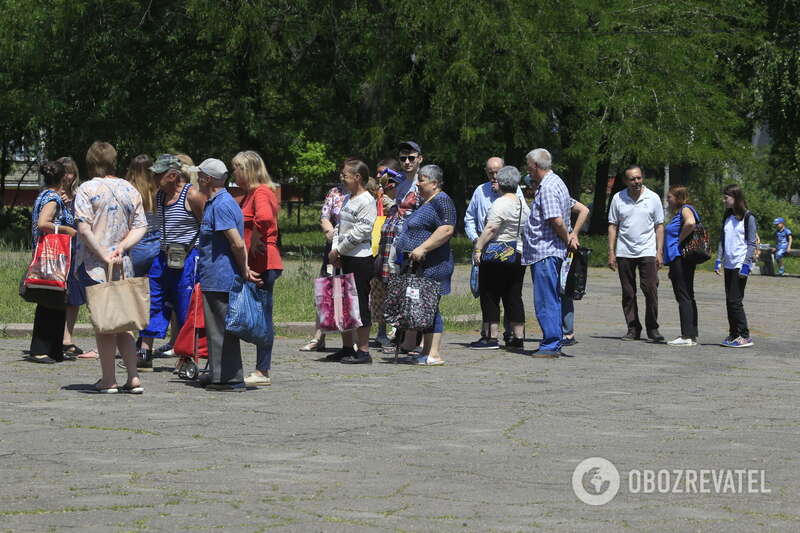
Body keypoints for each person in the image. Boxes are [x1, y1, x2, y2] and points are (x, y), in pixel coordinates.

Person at [74, 141, 148, 393]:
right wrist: (122, 247)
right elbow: (141, 226)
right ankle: (134, 377)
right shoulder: (129, 189)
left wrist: (103, 253)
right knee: (123, 322)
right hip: (123, 264)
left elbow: (83, 228)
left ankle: (109, 380)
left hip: (97, 266)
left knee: (105, 325)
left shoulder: (87, 189)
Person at [134, 154, 205, 370]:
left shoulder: (192, 195)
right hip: (163, 257)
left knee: (185, 306)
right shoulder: (159, 196)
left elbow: (206, 224)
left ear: (173, 175)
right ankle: (144, 350)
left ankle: (187, 356)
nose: (154, 179)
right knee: (153, 301)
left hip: (187, 257)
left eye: (158, 175)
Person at [194, 158, 260, 390]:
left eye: (200, 175)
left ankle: (229, 378)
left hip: (221, 277)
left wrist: (244, 269)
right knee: (217, 329)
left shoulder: (221, 205)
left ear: (208, 179)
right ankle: (217, 372)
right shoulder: (219, 202)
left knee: (221, 330)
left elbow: (237, 243)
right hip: (216, 275)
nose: (197, 178)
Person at [393, 164, 456, 365]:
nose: (418, 184)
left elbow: (446, 229)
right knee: (425, 309)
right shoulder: (427, 201)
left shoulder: (443, 201)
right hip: (420, 267)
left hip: (434, 265)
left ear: (434, 183)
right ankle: (427, 352)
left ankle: (434, 354)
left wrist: (423, 248)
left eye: (421, 180)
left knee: (431, 308)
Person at [233, 150, 283, 387]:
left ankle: (263, 370)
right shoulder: (251, 194)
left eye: (237, 168)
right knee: (258, 314)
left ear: (249, 170)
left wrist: (255, 241)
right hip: (258, 263)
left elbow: (264, 219)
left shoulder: (261, 192)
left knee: (262, 317)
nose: (234, 173)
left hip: (263, 264)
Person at [520, 149, 576, 358]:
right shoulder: (555, 182)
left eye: (528, 165)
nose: (527, 170)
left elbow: (556, 220)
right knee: (551, 297)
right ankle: (553, 341)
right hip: (547, 251)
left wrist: (567, 237)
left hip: (545, 251)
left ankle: (551, 344)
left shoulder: (549, 187)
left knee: (546, 299)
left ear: (535, 166)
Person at [465, 156, 525, 346]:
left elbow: (490, 229)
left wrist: (478, 247)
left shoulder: (499, 203)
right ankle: (518, 338)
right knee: (514, 295)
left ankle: (491, 337)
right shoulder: (522, 203)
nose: (493, 178)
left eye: (497, 175)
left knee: (490, 294)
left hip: (495, 252)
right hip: (517, 252)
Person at [24, 161, 79, 364]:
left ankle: (53, 349)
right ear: (63, 178)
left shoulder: (44, 194)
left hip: (50, 256)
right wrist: (66, 230)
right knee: (50, 300)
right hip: (53, 256)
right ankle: (40, 349)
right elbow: (43, 223)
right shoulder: (52, 198)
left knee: (54, 301)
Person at [326, 158, 377, 364]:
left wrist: (340, 249)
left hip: (360, 259)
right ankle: (347, 347)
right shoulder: (347, 198)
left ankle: (363, 351)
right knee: (342, 302)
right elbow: (339, 226)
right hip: (343, 256)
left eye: (345, 175)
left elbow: (361, 232)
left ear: (357, 177)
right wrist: (335, 251)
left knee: (360, 303)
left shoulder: (367, 201)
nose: (342, 178)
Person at [607, 165, 665, 342]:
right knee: (628, 292)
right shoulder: (618, 198)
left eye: (638, 178)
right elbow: (612, 225)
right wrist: (611, 252)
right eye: (632, 179)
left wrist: (659, 251)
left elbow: (659, 226)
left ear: (643, 178)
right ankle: (633, 328)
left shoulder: (653, 198)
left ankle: (653, 328)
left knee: (650, 290)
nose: (636, 182)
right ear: (626, 181)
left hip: (647, 251)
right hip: (624, 251)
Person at [56, 156, 96, 360]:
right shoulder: (52, 194)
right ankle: (54, 338)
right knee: (56, 294)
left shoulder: (81, 194)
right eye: (63, 171)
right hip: (57, 251)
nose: (67, 176)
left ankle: (66, 339)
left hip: (76, 251)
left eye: (70, 171)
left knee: (74, 297)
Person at [299, 183, 346, 352]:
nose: (343, 176)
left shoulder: (366, 192)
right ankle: (319, 336)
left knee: (349, 293)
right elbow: (324, 216)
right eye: (342, 172)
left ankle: (351, 341)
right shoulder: (334, 192)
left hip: (354, 249)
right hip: (332, 245)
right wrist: (331, 236)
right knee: (325, 290)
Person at [391, 141, 427, 354]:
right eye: (403, 158)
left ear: (420, 159)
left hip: (419, 242)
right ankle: (405, 336)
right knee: (405, 291)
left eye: (411, 158)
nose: (406, 162)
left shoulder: (423, 182)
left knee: (420, 292)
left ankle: (421, 340)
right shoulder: (402, 183)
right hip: (401, 242)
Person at [715, 184, 757, 348]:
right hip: (729, 264)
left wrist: (746, 265)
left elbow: (752, 243)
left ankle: (745, 336)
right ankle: (734, 333)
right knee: (729, 300)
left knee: (735, 300)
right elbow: (722, 240)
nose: (723, 200)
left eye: (726, 197)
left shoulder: (749, 217)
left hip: (741, 265)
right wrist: (719, 260)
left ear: (736, 198)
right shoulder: (727, 216)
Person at [371, 159, 404, 348]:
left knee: (396, 290)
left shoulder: (401, 190)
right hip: (378, 248)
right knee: (378, 292)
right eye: (378, 173)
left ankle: (398, 332)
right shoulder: (375, 193)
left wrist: (391, 202)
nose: (379, 176)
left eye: (384, 173)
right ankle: (381, 332)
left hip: (394, 248)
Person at [664, 186, 700, 346]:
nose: (668, 201)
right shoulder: (684, 210)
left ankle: (686, 336)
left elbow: (690, 223)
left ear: (678, 198)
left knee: (683, 295)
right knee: (688, 295)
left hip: (680, 258)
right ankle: (692, 334)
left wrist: (679, 239)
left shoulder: (685, 209)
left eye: (669, 198)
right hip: (682, 259)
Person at [560, 198, 590, 347]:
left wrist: (574, 233)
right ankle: (562, 331)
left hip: (565, 249)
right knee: (560, 291)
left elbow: (584, 210)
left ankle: (567, 332)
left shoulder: (559, 195)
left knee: (565, 291)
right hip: (552, 248)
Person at [126, 155, 159, 277]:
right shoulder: (158, 188)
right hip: (157, 244)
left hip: (137, 244)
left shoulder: (127, 189)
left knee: (134, 289)